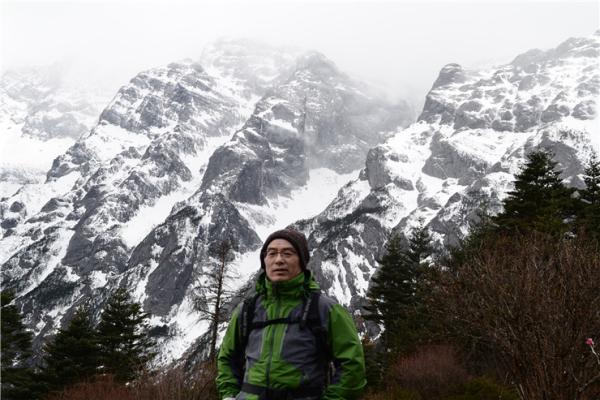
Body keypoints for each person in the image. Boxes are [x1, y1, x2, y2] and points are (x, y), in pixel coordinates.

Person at [216, 228, 366, 400]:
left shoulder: (326, 309)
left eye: (287, 253)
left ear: (301, 261)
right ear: (264, 261)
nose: (279, 260)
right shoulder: (247, 310)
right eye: (272, 253)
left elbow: (352, 366)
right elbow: (227, 358)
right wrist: (229, 395)